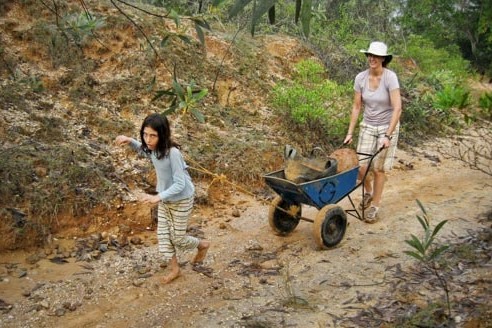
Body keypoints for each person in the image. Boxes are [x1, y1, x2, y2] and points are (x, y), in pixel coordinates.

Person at [115, 113, 210, 283]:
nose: (148, 139)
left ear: (162, 135)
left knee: (179, 239)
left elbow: (180, 184)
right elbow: (143, 150)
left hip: (181, 199)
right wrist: (130, 140)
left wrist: (157, 197)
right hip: (166, 198)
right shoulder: (153, 150)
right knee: (164, 236)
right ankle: (175, 269)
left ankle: (202, 245)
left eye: (153, 135)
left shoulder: (173, 153)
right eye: (145, 134)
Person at [343, 41, 402, 223]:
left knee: (378, 169)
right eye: (370, 55)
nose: (372, 58)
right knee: (360, 165)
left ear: (383, 59)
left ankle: (375, 207)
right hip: (368, 125)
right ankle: (368, 192)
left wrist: (388, 135)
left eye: (376, 56)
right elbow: (356, 106)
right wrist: (350, 132)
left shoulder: (390, 77)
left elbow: (397, 108)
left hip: (387, 127)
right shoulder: (360, 78)